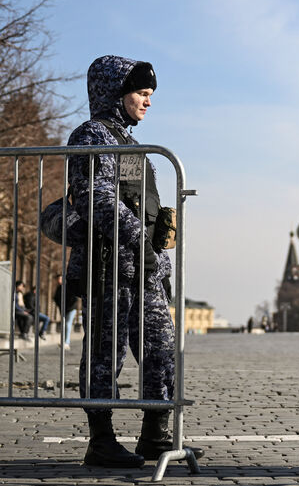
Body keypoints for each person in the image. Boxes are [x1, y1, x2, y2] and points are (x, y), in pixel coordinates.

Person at [65, 56, 201, 467]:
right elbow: (96, 196)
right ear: (115, 92)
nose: (148, 101)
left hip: (144, 271)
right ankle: (101, 441)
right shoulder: (92, 136)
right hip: (108, 269)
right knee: (106, 355)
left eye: (150, 95)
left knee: (161, 350)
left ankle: (155, 436)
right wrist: (140, 241)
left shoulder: (131, 143)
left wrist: (158, 260)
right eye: (142, 93)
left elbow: (146, 209)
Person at [53, 274, 79, 350]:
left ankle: (67, 343)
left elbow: (74, 299)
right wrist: (60, 305)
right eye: (58, 279)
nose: (59, 281)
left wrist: (67, 305)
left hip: (71, 308)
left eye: (60, 279)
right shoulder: (59, 288)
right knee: (64, 325)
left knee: (67, 324)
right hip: (63, 309)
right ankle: (63, 341)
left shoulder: (69, 287)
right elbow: (55, 298)